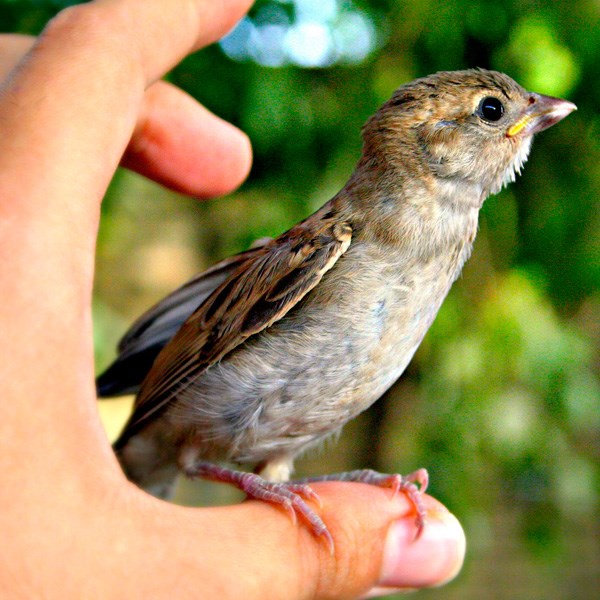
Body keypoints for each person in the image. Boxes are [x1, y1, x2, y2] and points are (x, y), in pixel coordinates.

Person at [0, 1, 465, 597]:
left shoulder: (442, 249)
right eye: (492, 113)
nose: (532, 116)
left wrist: (287, 483)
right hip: (175, 435)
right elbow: (201, 338)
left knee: (286, 481)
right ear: (433, 144)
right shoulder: (331, 243)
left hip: (257, 447)